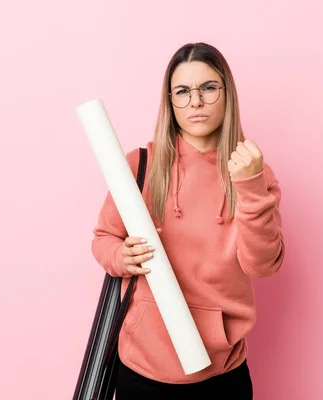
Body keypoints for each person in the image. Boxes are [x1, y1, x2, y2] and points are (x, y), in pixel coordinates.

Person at [90, 42, 285, 400]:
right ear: (171, 101)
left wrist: (251, 186)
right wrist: (121, 256)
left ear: (227, 93)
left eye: (208, 88)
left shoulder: (252, 171)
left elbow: (262, 264)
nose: (195, 101)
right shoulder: (139, 166)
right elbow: (104, 238)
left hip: (221, 372)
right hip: (141, 367)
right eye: (183, 91)